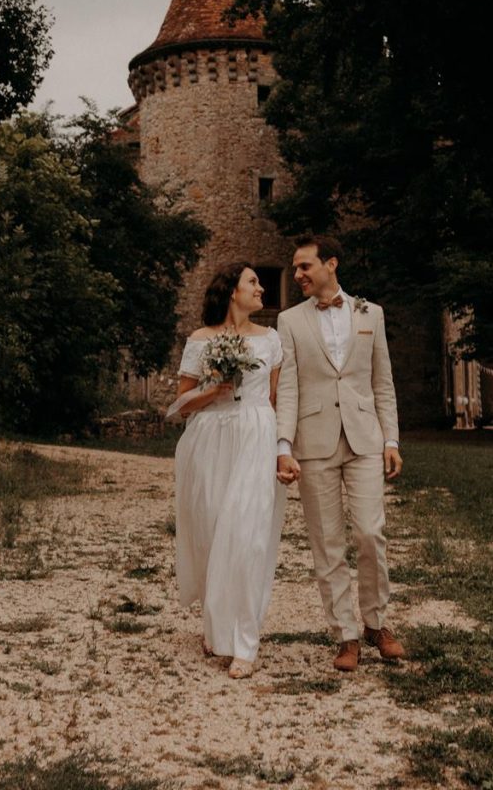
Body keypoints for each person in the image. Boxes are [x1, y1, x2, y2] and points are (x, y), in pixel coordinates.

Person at [275, 235, 405, 672]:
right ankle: (345, 635)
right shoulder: (289, 321)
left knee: (370, 533)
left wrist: (391, 440)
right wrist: (283, 446)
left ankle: (377, 623)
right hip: (313, 443)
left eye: (305, 267)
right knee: (327, 542)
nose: (297, 276)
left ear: (331, 264)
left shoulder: (372, 314)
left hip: (366, 438)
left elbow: (382, 382)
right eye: (295, 269)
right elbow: (288, 387)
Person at [173, 262, 297, 679]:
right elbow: (179, 404)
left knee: (246, 538)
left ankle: (245, 642)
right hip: (209, 439)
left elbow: (279, 400)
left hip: (255, 437)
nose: (261, 287)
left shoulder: (271, 340)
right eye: (252, 282)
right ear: (231, 292)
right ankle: (215, 628)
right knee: (210, 535)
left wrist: (285, 450)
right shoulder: (200, 340)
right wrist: (213, 391)